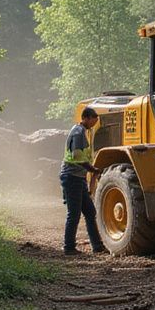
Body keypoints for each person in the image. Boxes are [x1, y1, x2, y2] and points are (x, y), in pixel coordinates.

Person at [60, 106, 104, 255]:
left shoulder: (82, 132)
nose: (93, 123)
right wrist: (93, 170)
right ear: (86, 118)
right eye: (93, 120)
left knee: (90, 212)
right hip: (72, 178)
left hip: (78, 178)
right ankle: (69, 247)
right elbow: (77, 156)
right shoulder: (78, 132)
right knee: (74, 214)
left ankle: (97, 246)